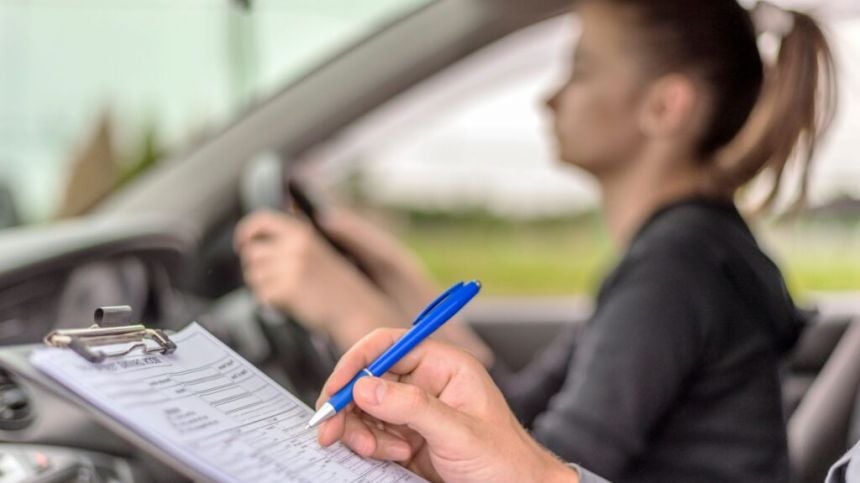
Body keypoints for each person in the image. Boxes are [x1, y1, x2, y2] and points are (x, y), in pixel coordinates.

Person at [235, 0, 836, 480]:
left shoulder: (679, 270)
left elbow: (542, 462)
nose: (550, 97)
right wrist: (401, 286)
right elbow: (522, 415)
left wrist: (347, 310)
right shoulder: (694, 248)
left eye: (582, 68)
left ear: (665, 106)